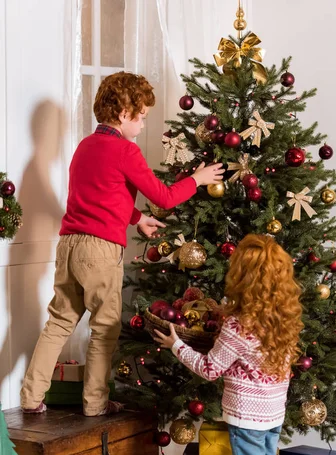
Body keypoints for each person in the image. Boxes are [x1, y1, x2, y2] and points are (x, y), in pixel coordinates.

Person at [20, 71, 224, 416]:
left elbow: (97, 195)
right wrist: (197, 179)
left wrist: (135, 218)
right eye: (142, 116)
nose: (143, 124)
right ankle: (95, 404)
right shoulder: (125, 151)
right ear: (125, 112)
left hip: (69, 245)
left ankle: (29, 397)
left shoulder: (85, 146)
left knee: (59, 321)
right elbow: (164, 196)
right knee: (104, 327)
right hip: (100, 251)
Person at [155, 234, 303, 455]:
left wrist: (176, 344)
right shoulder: (282, 319)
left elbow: (210, 369)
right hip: (272, 413)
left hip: (248, 418)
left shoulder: (239, 326)